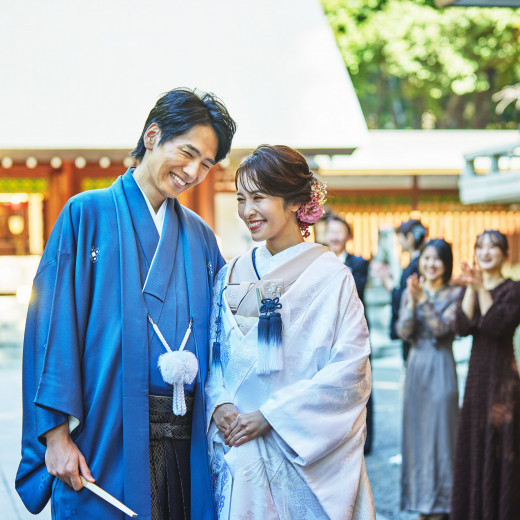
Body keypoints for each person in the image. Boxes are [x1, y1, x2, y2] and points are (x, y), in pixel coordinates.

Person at [16, 87, 236, 520]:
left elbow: (224, 334)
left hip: (183, 440)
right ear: (152, 135)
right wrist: (56, 437)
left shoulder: (200, 236)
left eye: (206, 165)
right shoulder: (86, 214)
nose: (192, 172)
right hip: (105, 433)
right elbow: (51, 329)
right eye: (187, 153)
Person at [205, 145, 375, 520]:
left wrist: (273, 415)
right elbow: (219, 354)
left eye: (259, 198)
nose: (247, 210)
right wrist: (218, 402)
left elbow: (350, 370)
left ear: (296, 202)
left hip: (296, 450)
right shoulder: (232, 273)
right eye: (241, 198)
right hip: (241, 448)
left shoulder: (332, 277)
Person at [450, 230, 520, 520]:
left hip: (502, 376)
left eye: (493, 247)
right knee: (474, 441)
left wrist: (480, 289)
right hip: (477, 377)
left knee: (501, 443)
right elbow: (461, 327)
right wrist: (471, 286)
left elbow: (497, 326)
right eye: (481, 246)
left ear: (505, 254)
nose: (486, 252)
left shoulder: (513, 289)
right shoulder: (473, 284)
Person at [396, 239, 460, 520]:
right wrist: (411, 301)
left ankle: (444, 503)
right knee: (417, 438)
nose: (431, 264)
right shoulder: (411, 290)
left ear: (446, 264)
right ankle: (422, 501)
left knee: (442, 438)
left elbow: (442, 331)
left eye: (437, 259)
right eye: (426, 259)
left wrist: (422, 301)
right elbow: (403, 331)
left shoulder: (457, 292)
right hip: (416, 367)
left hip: (441, 366)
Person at [325, 214, 373, 454]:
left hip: (354, 327)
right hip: (327, 329)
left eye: (339, 230)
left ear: (348, 235)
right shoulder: (317, 261)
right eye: (330, 230)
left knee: (360, 380)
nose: (334, 235)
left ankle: (366, 438)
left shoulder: (359, 263)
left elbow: (358, 290)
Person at [380, 219, 427, 362]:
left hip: (415, 330)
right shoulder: (417, 262)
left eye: (400, 238)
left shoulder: (417, 264)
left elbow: (409, 297)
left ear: (410, 238)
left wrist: (389, 286)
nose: (398, 242)